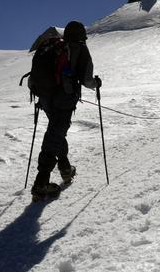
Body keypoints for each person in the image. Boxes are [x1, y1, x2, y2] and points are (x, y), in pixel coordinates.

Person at [32, 21, 101, 199]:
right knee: (55, 134)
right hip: (63, 99)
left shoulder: (55, 48)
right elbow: (86, 80)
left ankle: (65, 169)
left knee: (57, 132)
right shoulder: (79, 49)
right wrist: (96, 83)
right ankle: (41, 183)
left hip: (46, 98)